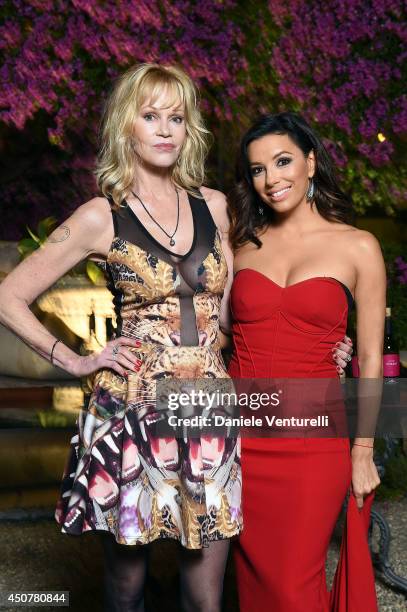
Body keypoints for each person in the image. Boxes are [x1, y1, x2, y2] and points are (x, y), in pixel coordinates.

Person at [0, 67, 351, 611]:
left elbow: (242, 309)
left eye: (177, 118)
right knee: (125, 590)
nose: (165, 130)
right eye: (150, 116)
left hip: (210, 410)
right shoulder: (100, 216)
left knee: (205, 597)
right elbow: (8, 296)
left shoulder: (215, 206)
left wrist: (319, 341)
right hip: (131, 412)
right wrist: (74, 360)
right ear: (127, 127)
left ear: (188, 131)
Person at [227, 112, 383, 611]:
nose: (272, 179)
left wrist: (362, 451)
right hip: (240, 436)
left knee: (293, 581)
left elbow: (372, 358)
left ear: (311, 163)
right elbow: (217, 335)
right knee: (254, 580)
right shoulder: (238, 246)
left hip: (315, 441)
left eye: (283, 161)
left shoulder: (357, 246)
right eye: (258, 170)